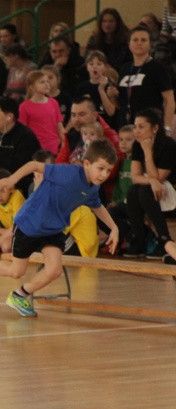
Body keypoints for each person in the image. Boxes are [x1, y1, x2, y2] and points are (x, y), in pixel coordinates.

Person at [0, 138, 119, 317]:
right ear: (87, 163)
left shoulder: (93, 188)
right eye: (101, 168)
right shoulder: (68, 173)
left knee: (54, 269)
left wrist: (114, 227)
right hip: (29, 224)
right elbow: (34, 165)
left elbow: (97, 206)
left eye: (108, 170)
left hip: (53, 230)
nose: (104, 174)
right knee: (16, 271)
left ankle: (19, 295)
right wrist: (11, 180)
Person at [124, 108, 176, 259]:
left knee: (144, 191)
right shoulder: (137, 145)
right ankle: (139, 240)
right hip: (153, 187)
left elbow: (159, 177)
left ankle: (164, 240)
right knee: (134, 190)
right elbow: (135, 177)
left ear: (155, 128)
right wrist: (152, 181)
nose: (136, 131)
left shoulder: (169, 146)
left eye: (141, 127)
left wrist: (147, 152)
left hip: (171, 189)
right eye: (135, 126)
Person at [115, 26, 175, 129]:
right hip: (126, 127)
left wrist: (167, 127)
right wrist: (111, 96)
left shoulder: (157, 67)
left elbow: (169, 99)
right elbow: (121, 102)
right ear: (129, 44)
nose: (139, 43)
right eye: (135, 40)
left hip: (149, 126)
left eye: (143, 40)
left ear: (150, 44)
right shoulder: (125, 68)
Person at [18, 70, 65, 156]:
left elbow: (60, 126)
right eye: (42, 82)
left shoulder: (53, 102)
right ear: (32, 87)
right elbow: (22, 131)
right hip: (35, 149)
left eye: (47, 81)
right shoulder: (24, 106)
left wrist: (65, 144)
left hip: (54, 148)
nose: (47, 84)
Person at [74, 50, 118, 127]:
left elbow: (111, 112)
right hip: (88, 128)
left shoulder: (110, 85)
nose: (95, 67)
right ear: (87, 67)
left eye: (99, 64)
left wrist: (101, 90)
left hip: (107, 127)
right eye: (91, 64)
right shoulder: (81, 88)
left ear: (105, 67)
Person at [86, 8, 131, 73]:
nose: (107, 24)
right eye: (104, 21)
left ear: (117, 23)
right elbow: (89, 58)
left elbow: (128, 61)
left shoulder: (125, 39)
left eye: (111, 21)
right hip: (99, 73)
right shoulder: (94, 39)